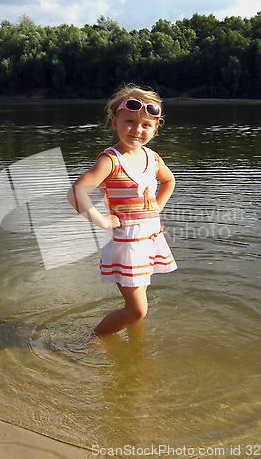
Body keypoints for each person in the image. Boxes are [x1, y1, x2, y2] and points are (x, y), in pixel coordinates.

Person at [67, 84, 177, 336]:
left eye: (146, 124)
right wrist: (102, 221)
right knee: (138, 309)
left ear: (155, 128)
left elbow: (169, 181)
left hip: (148, 238)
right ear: (114, 122)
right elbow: (76, 193)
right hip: (126, 243)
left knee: (138, 304)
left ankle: (135, 347)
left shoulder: (153, 158)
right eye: (129, 121)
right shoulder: (111, 160)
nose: (137, 129)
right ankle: (93, 338)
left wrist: (155, 211)